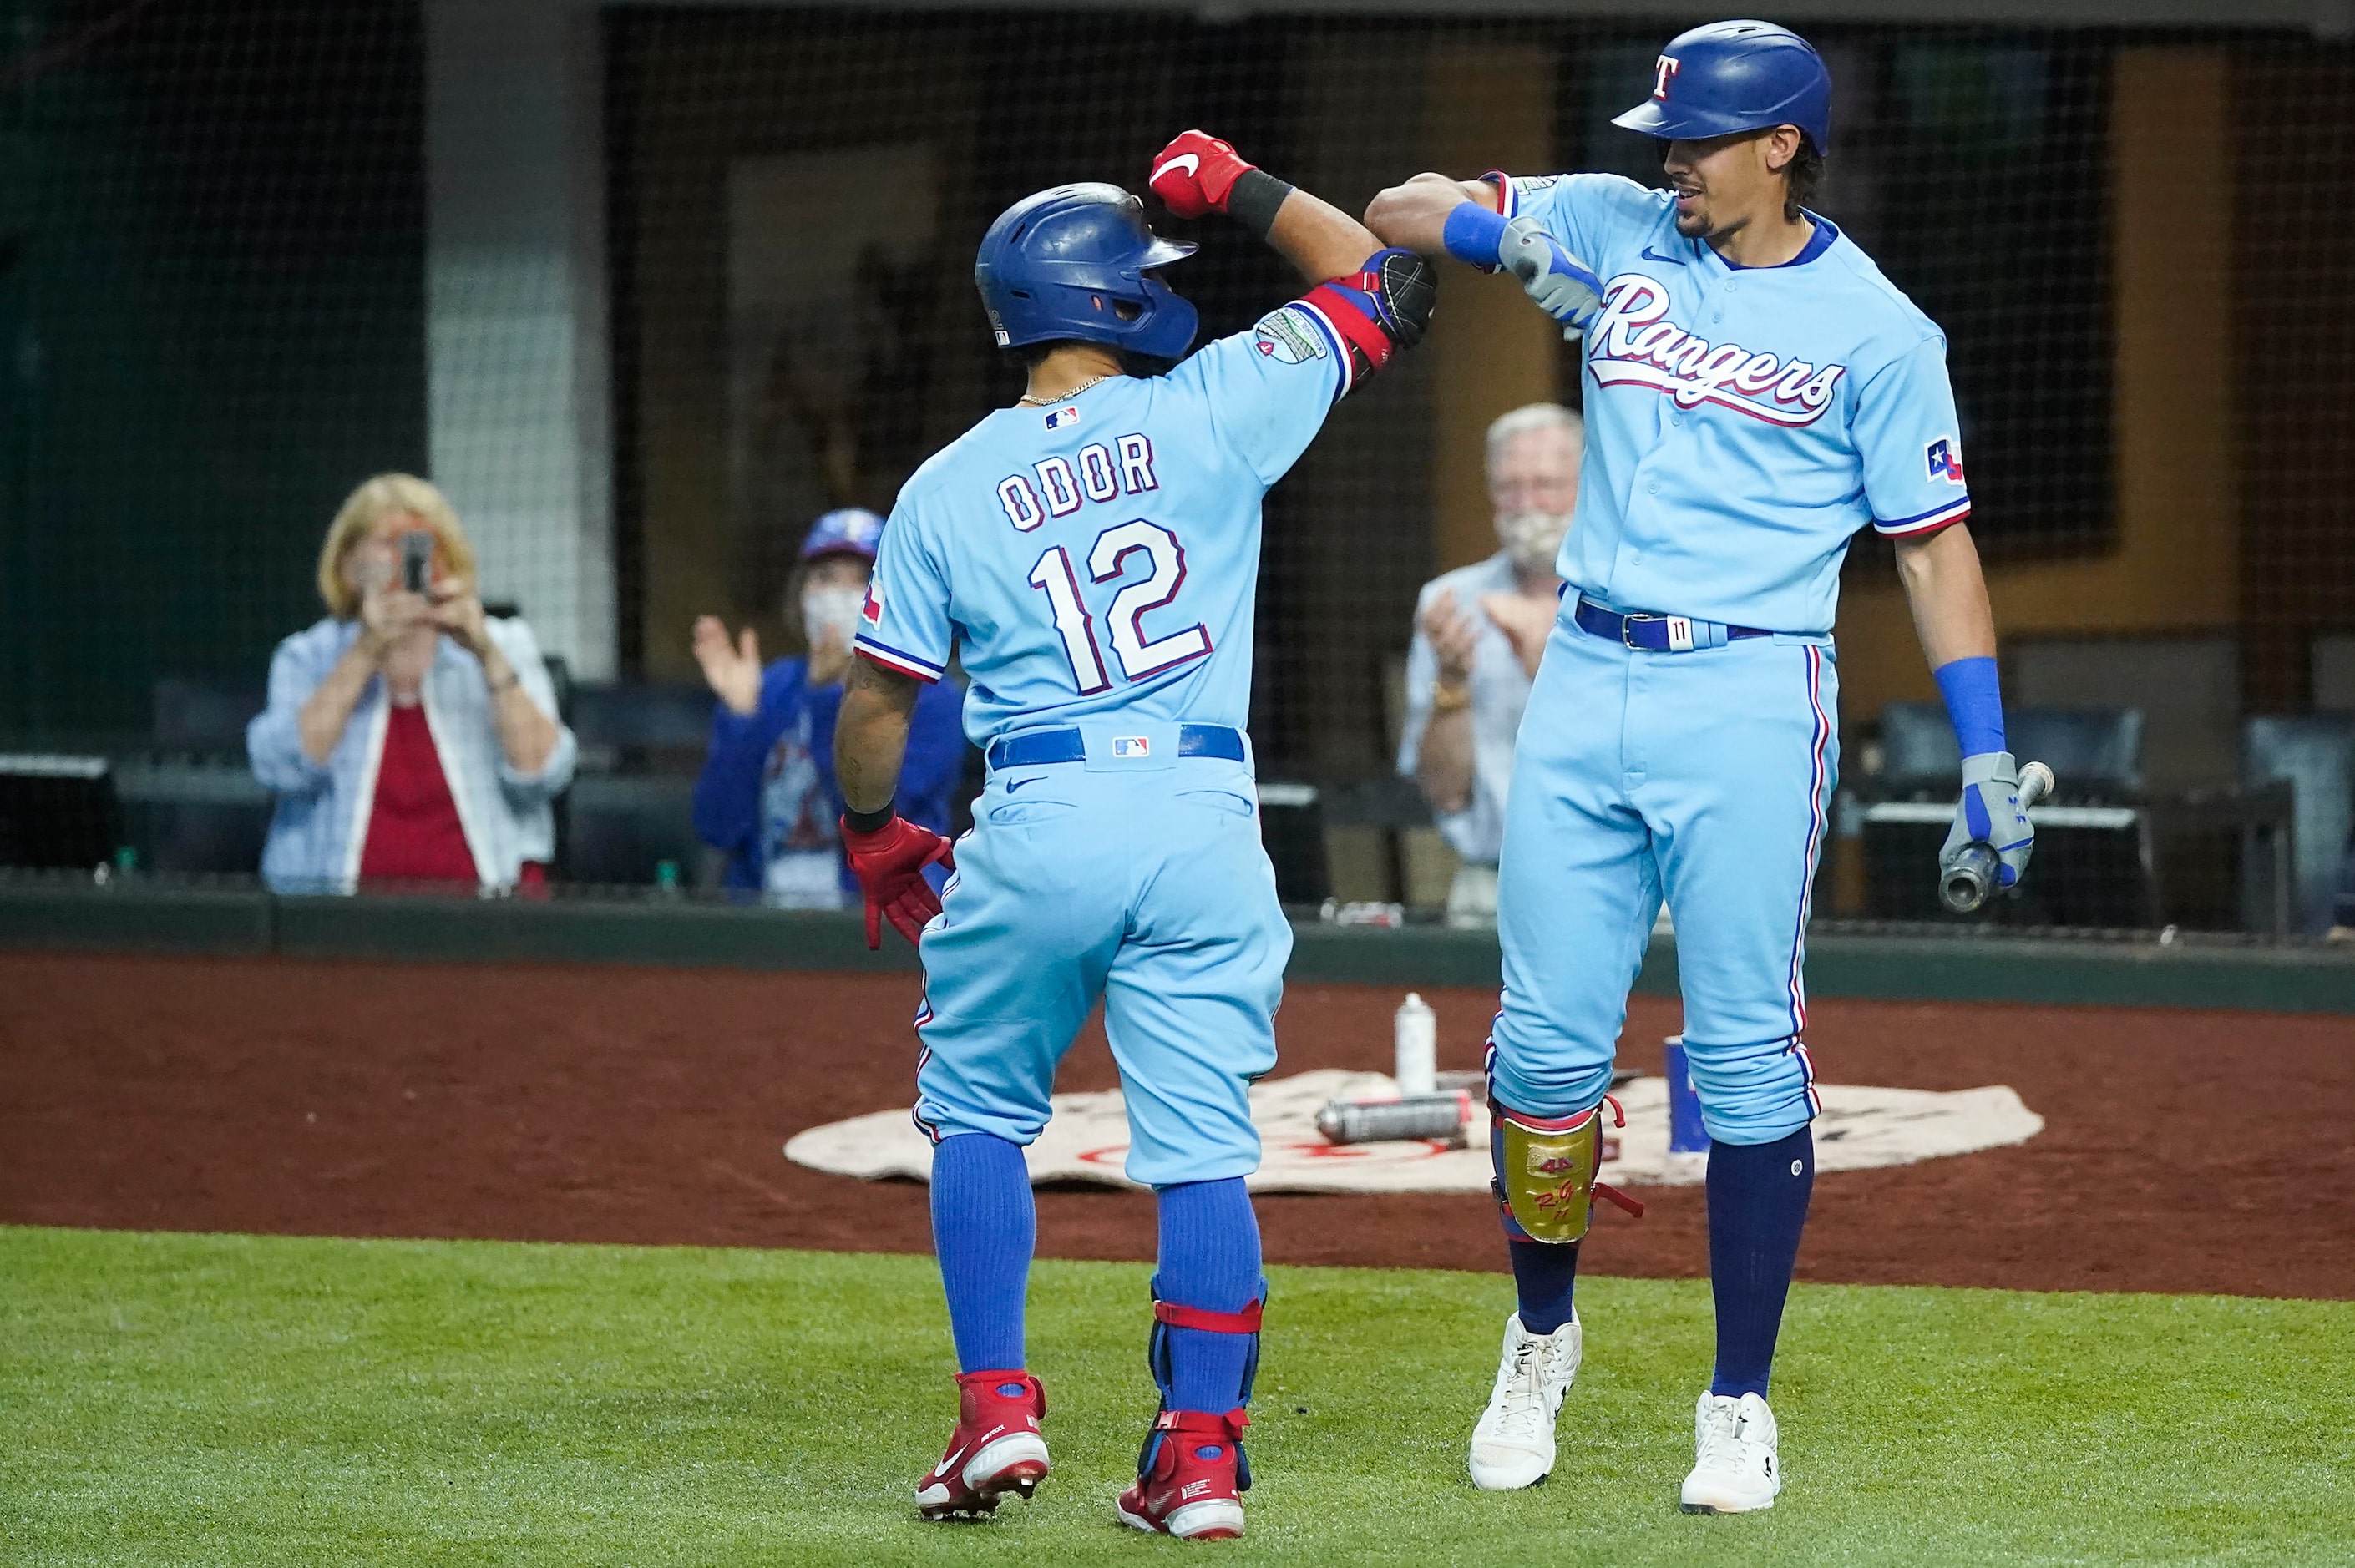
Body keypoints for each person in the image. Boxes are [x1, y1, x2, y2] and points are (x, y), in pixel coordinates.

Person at [1367, 19, 2036, 1515]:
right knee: (1541, 1059)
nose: (1671, 160)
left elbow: (1934, 550)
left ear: (1785, 143)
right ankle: (1541, 1335)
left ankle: (1738, 1401)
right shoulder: (1619, 228)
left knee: (1742, 1055)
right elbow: (1411, 204)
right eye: (1666, 136)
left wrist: (1988, 751)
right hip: (1587, 677)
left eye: (1701, 139)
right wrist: (1481, 235)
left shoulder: (1881, 329)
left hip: (1751, 686)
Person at [830, 139, 1431, 1539]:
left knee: (979, 1107)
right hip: (1205, 823)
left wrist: (873, 831)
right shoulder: (1220, 400)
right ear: (1114, 302)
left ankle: (996, 1412)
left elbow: (879, 700)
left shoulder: (943, 487)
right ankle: (1202, 1457)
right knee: (1204, 1148)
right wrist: (1230, 184)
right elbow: (1386, 277)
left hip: (1040, 816)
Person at [247, 473, 575, 894]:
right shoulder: (307, 656)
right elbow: (281, 769)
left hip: (490, 910)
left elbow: (544, 776)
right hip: (333, 917)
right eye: (390, 542)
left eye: (422, 543)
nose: (407, 560)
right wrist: (365, 651)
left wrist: (486, 655)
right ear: (349, 569)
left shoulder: (505, 643)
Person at [688, 508, 965, 906]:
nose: (838, 596)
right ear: (800, 596)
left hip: (878, 921)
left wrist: (826, 699)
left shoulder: (931, 697)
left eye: (861, 580)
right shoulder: (771, 687)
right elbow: (716, 828)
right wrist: (743, 721)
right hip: (763, 926)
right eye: (825, 580)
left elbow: (874, 823)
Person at [1397, 403, 1582, 925]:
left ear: (1592, 488)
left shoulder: (1638, 603)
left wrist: (1546, 667)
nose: (1527, 505)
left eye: (1546, 485)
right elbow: (1443, 792)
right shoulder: (1451, 601)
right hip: (1490, 885)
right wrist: (1452, 682)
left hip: (1628, 884)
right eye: (1508, 487)